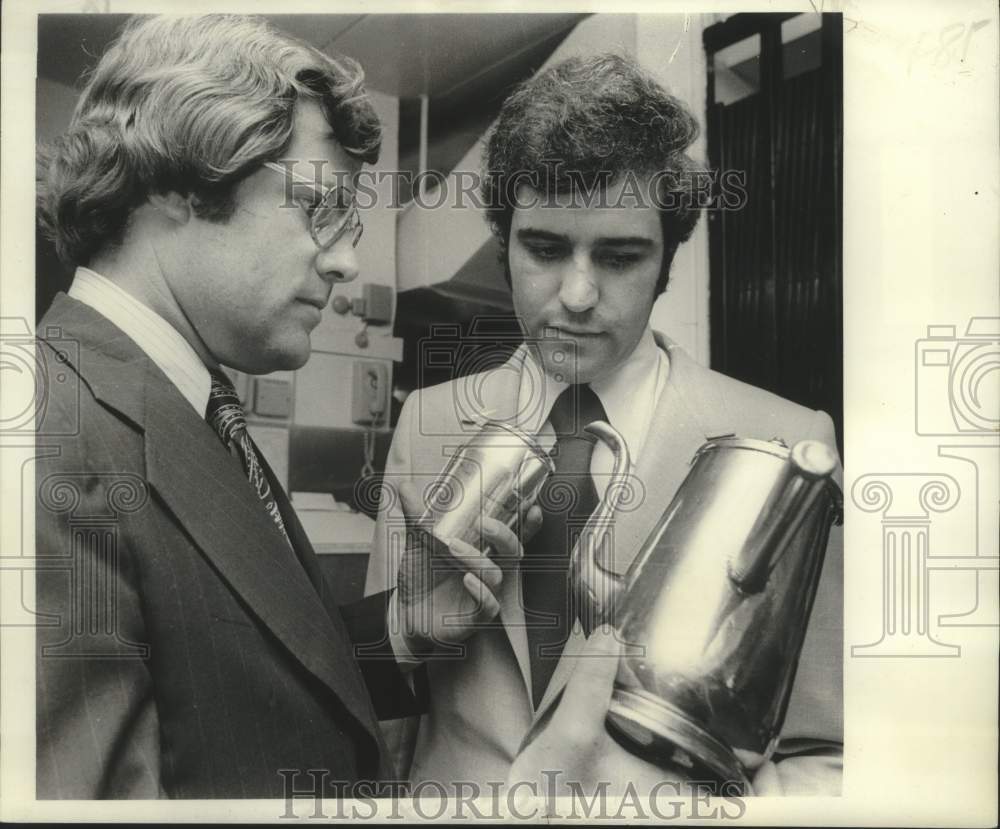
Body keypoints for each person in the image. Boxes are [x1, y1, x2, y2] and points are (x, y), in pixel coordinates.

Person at [33, 14, 536, 799]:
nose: (342, 262)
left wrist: (400, 627)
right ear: (177, 184)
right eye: (318, 208)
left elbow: (246, 689)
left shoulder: (185, 405)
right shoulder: (45, 432)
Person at [366, 53, 844, 796]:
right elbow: (386, 711)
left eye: (620, 256)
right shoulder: (426, 423)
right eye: (546, 249)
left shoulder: (786, 439)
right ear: (503, 246)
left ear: (666, 265)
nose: (579, 295)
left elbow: (828, 748)